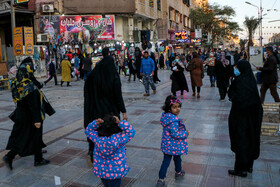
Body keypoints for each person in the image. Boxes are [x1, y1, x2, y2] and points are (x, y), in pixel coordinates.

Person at [3, 57, 50, 170]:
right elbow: (33, 105)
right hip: (31, 117)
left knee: (24, 138)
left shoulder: (17, 84)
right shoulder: (30, 88)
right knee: (33, 137)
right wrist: (37, 120)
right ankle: (37, 159)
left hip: (21, 115)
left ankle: (11, 156)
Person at [84, 47, 127, 163]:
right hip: (110, 110)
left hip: (95, 109)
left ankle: (93, 151)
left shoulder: (93, 76)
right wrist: (123, 111)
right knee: (110, 130)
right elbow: (118, 95)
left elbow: (87, 91)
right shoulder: (113, 75)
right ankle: (110, 153)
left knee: (96, 130)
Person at [228, 60, 263, 177]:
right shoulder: (251, 80)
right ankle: (249, 166)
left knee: (241, 141)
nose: (235, 69)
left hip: (241, 116)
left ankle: (240, 169)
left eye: (237, 67)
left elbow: (235, 96)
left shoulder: (239, 81)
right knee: (251, 139)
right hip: (253, 117)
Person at [85, 115, 135, 187]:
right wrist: (120, 122)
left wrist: (96, 123)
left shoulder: (97, 138)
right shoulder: (119, 139)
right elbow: (131, 132)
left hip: (102, 173)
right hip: (116, 173)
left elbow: (88, 131)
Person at [156, 95, 189, 187]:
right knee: (177, 158)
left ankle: (161, 179)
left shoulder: (166, 117)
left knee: (166, 161)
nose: (177, 109)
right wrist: (185, 134)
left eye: (179, 106)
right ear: (169, 109)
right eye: (174, 107)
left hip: (167, 145)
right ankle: (177, 172)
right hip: (175, 145)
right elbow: (175, 134)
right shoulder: (173, 120)